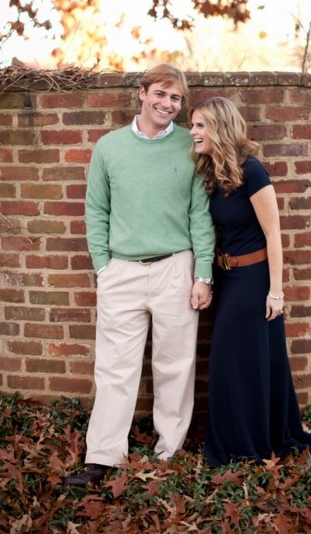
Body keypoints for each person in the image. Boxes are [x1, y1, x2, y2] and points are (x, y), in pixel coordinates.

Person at [63, 64, 215, 487]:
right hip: (122, 271)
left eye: (176, 99)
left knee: (175, 364)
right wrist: (102, 267)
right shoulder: (109, 147)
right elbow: (96, 210)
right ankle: (103, 459)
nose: (168, 104)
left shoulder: (191, 146)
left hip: (176, 268)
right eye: (161, 95)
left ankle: (169, 451)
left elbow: (200, 214)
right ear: (142, 94)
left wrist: (203, 273)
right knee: (114, 368)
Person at [189, 95, 311, 466]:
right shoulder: (214, 170)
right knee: (239, 362)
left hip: (254, 279)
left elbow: (274, 234)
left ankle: (246, 446)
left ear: (219, 128)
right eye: (193, 125)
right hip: (228, 277)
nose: (193, 132)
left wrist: (276, 292)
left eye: (200, 125)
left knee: (234, 361)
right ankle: (242, 439)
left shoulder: (253, 170)